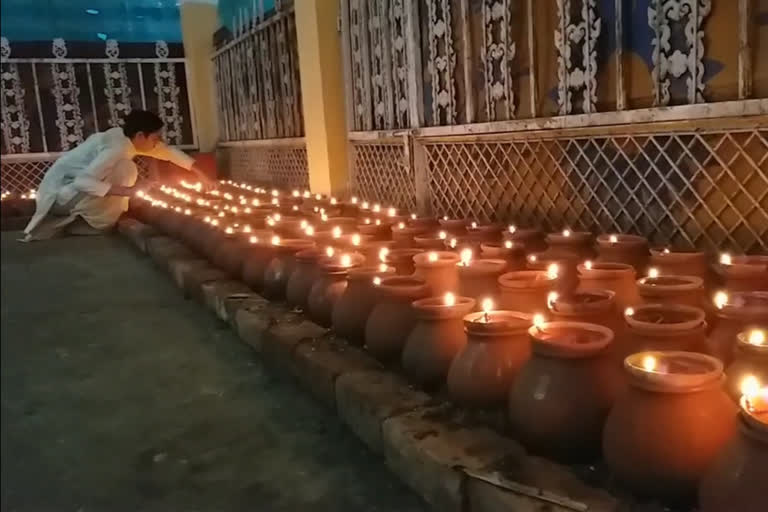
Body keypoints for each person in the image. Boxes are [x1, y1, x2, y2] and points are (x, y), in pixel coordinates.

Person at [20, 110, 215, 242]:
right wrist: (130, 191)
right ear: (140, 136)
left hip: (68, 194)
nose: (158, 143)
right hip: (60, 197)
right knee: (126, 169)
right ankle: (93, 223)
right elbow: (82, 181)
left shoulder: (125, 139)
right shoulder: (116, 149)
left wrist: (201, 173)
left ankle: (89, 220)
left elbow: (167, 152)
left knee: (126, 168)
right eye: (155, 138)